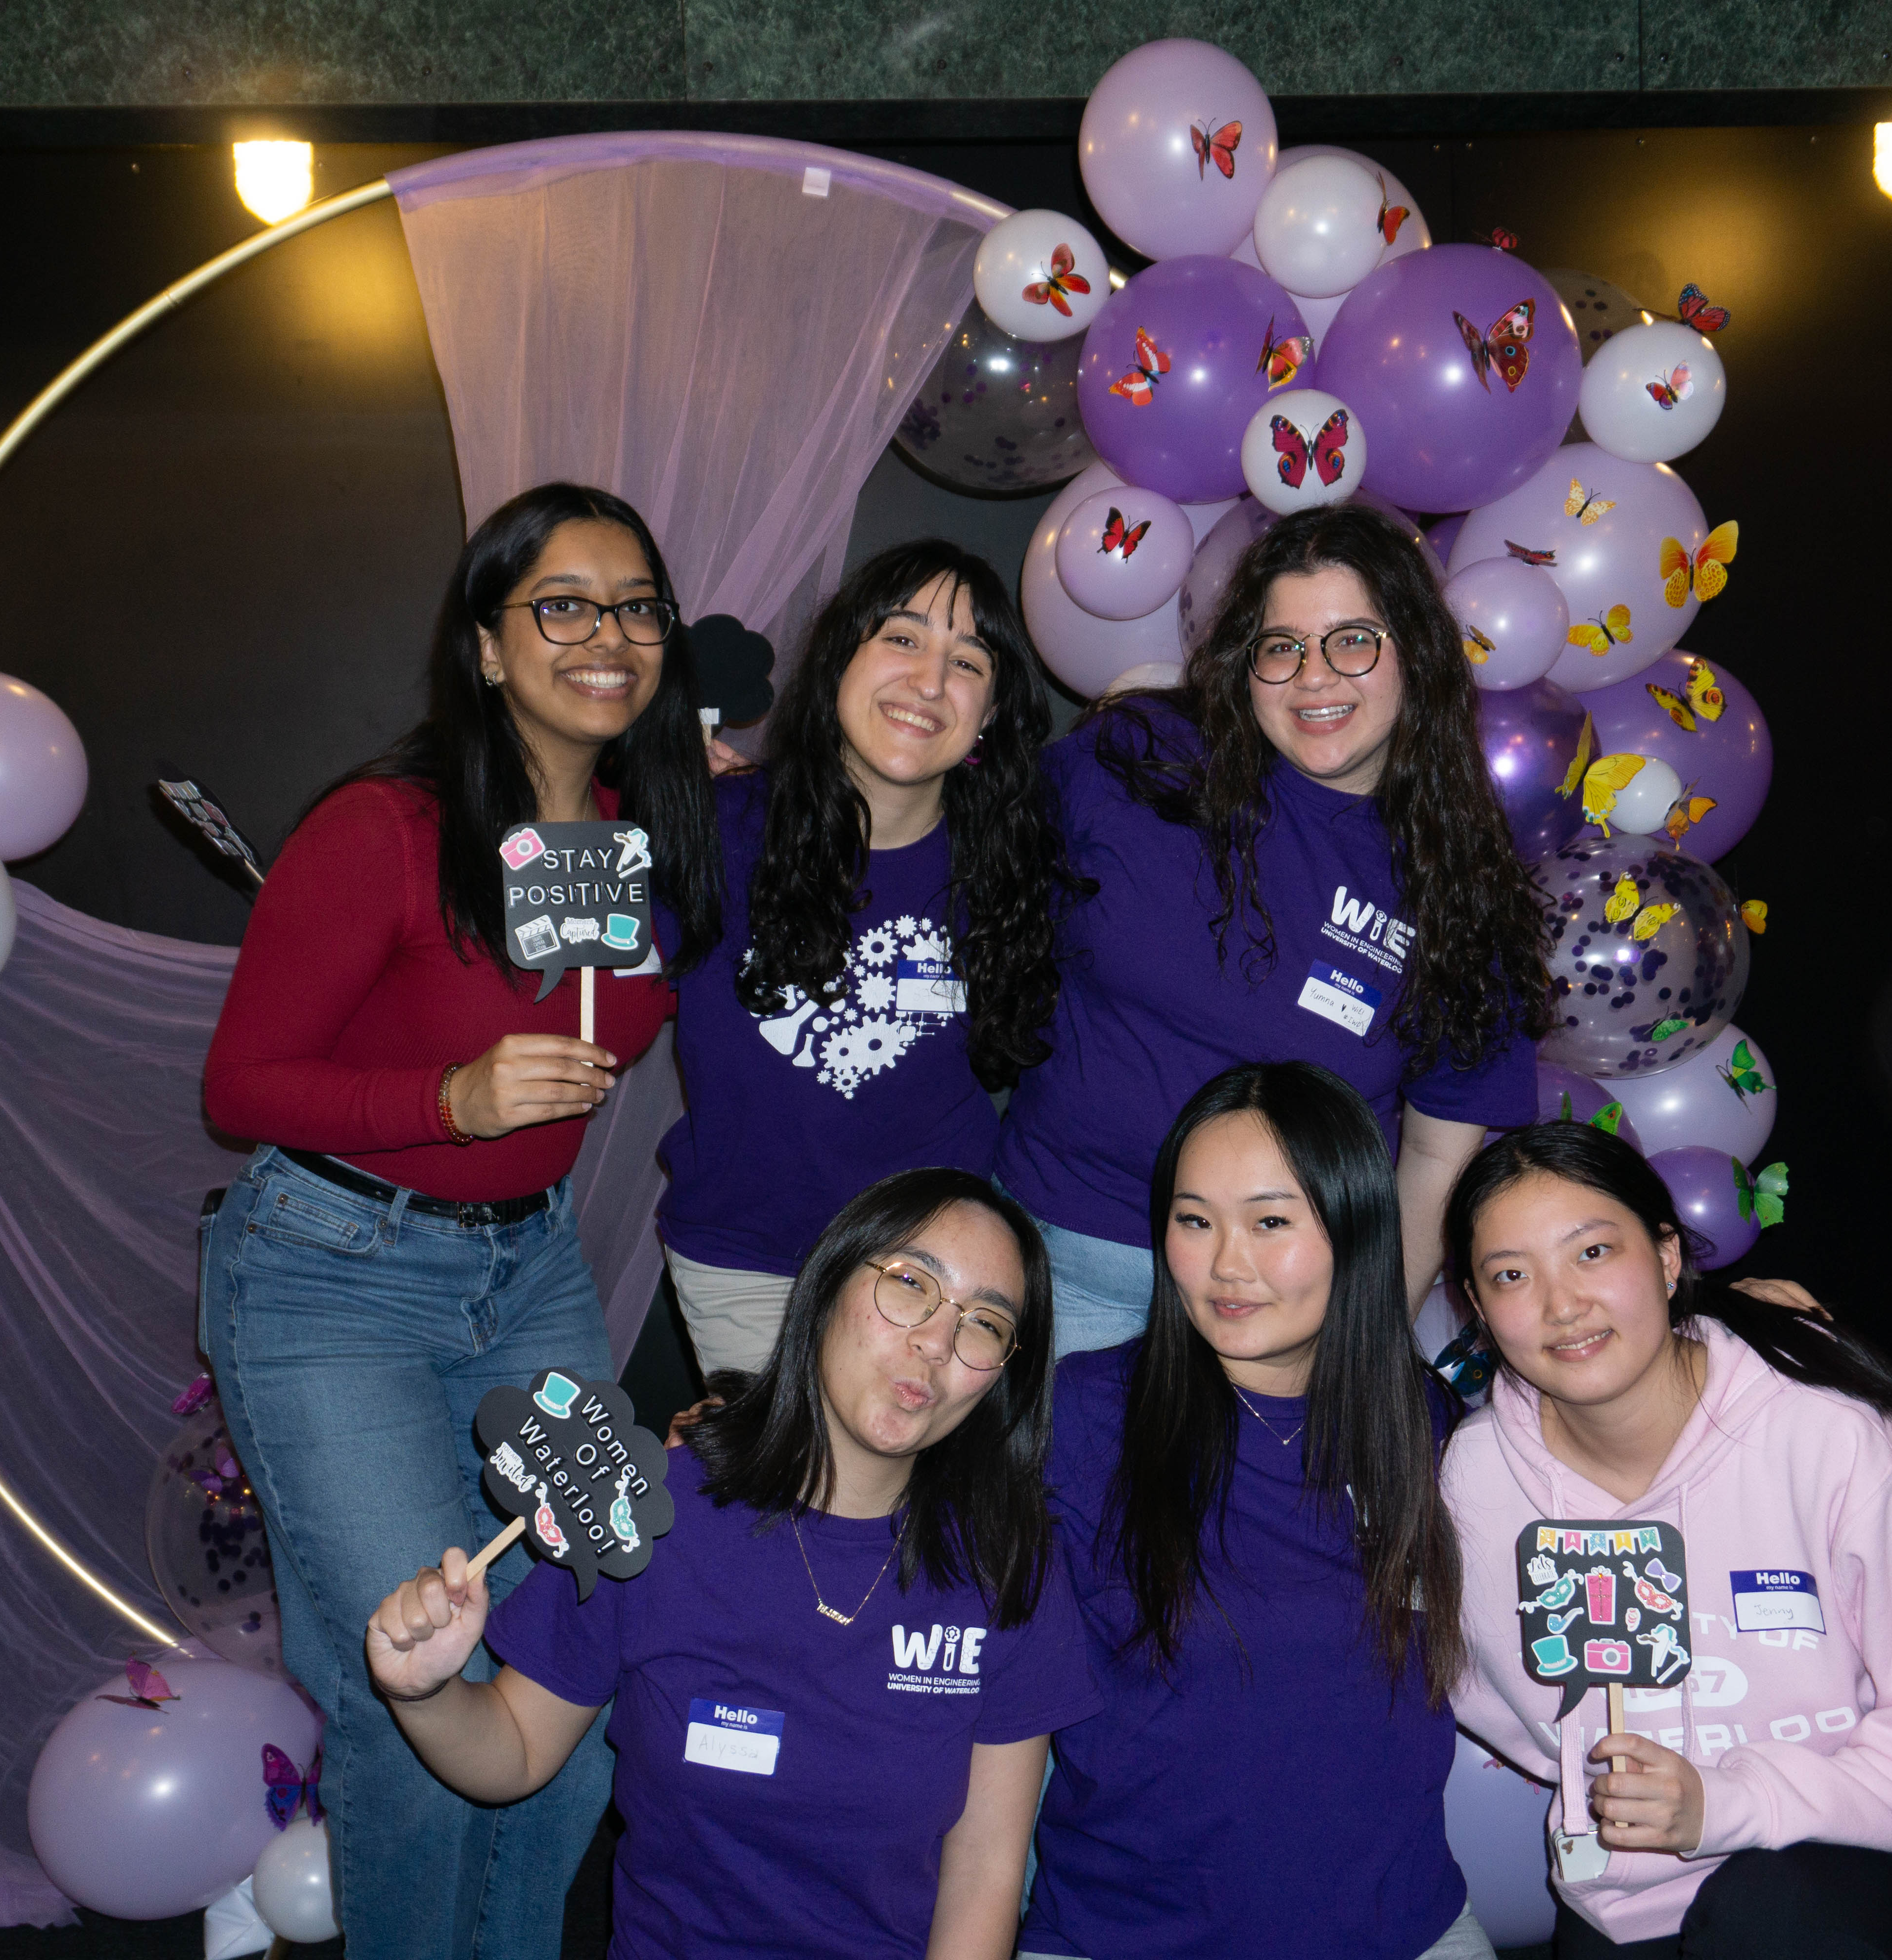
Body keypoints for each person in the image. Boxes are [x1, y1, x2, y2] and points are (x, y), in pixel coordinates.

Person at [198, 482, 721, 1960]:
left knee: (600, 1627)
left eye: (635, 608)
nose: (606, 637)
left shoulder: (643, 836)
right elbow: (241, 1086)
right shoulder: (385, 828)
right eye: (563, 605)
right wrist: (453, 1096)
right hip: (331, 1282)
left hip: (529, 1278)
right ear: (489, 645)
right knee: (409, 1675)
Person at [364, 1167, 1100, 1960]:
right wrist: (426, 1693)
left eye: (985, 1324)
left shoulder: (1006, 1564)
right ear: (826, 1286)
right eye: (911, 1283)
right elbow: (513, 1749)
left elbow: (986, 1871)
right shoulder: (649, 1514)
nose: (936, 1340)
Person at [1438, 1124, 1892, 1958]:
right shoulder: (1478, 1478)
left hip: (1875, 1841)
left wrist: (1727, 1799)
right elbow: (1496, 1695)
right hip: (1631, 1891)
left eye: (1594, 1253)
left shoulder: (1831, 1436)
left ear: (1668, 1257)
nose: (1562, 1306)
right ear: (1478, 1309)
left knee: (1772, 1920)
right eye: (1512, 1276)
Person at [993, 502, 1547, 1357]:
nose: (1314, 677)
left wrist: (1354, 1358)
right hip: (1059, 1275)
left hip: (1276, 1317)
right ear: (1244, 666)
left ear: (1419, 655)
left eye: (1354, 639)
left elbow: (1436, 1162)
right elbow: (957, 834)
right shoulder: (1139, 760)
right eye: (1281, 647)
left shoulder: (1464, 881)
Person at [1023, 1061, 1496, 1960]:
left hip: (1405, 1933)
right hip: (1128, 1938)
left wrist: (1723, 1327)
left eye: (1271, 1222)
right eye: (1194, 1221)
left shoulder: (1422, 1422)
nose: (1227, 1265)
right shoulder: (1080, 1416)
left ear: (1357, 1228)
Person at [656, 540, 1067, 1376]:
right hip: (745, 1268)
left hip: (935, 1274)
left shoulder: (1016, 868)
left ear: (989, 712)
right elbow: (537, 941)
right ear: (843, 654)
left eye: (968, 661)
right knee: (786, 1503)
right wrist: (627, 770)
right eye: (904, 639)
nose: (928, 683)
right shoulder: (713, 827)